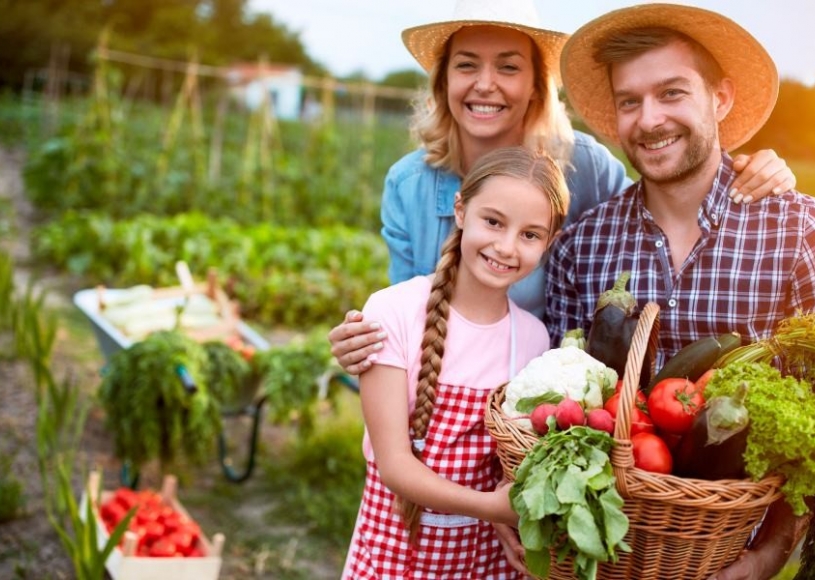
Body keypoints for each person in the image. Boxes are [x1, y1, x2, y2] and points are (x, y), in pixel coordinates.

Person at [328, 0, 796, 376]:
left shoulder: (583, 167)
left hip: (533, 391)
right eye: (467, 65)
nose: (485, 85)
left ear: (536, 85)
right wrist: (367, 343)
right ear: (444, 81)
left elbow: (666, 189)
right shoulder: (409, 185)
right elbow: (404, 314)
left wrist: (756, 169)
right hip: (449, 389)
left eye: (509, 67)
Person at [544, 4, 815, 579]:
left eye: (672, 93)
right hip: (600, 552)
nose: (649, 119)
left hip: (735, 555)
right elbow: (555, 410)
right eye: (630, 101)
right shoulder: (579, 247)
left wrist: (769, 555)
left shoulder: (799, 234)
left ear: (720, 98)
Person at [342, 146, 569, 579]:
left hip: (484, 559)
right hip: (395, 551)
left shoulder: (532, 339)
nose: (506, 247)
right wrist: (491, 506)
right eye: (494, 222)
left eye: (530, 234)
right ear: (461, 210)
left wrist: (506, 504)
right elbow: (395, 466)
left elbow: (510, 460)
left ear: (549, 241)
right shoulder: (394, 311)